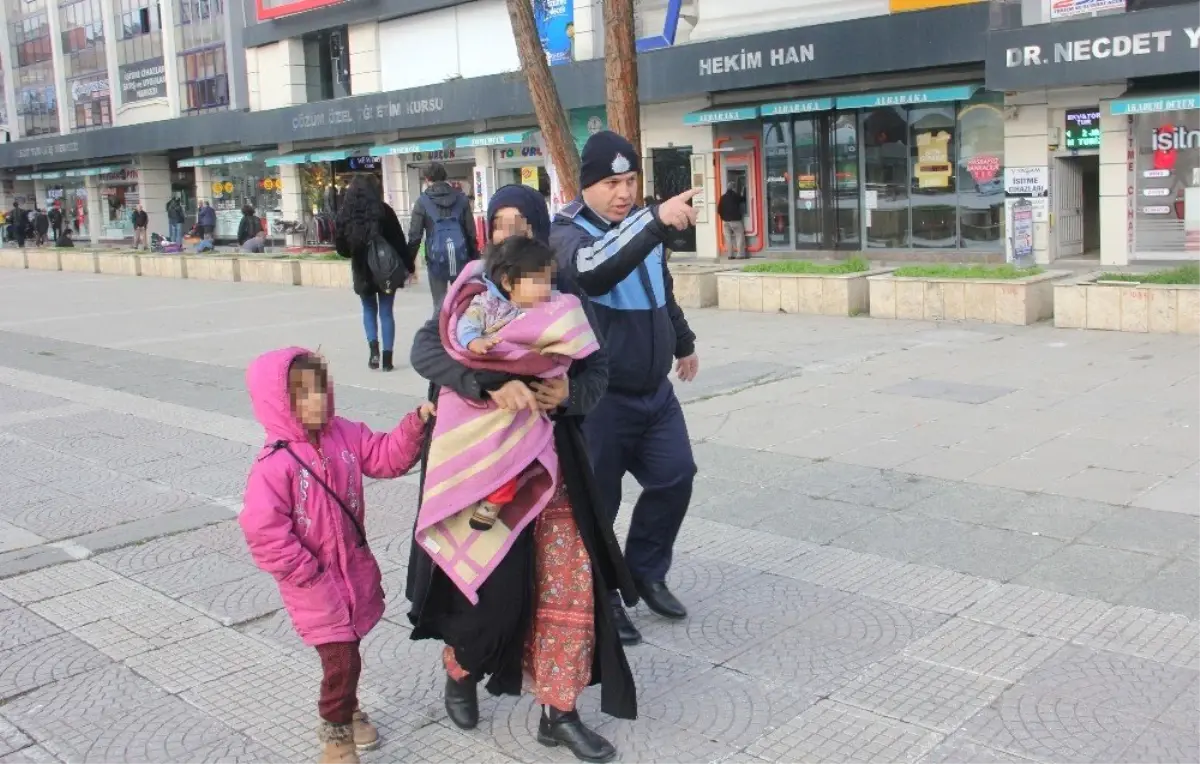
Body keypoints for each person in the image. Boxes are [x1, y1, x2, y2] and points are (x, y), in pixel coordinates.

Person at [407, 184, 637, 764]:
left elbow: (596, 367)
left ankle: (558, 712)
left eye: (523, 223)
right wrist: (489, 382)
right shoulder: (469, 295)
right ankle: (461, 669)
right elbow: (427, 352)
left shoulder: (559, 297)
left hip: (552, 466)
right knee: (488, 589)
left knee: (568, 586)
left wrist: (568, 392)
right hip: (482, 471)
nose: (511, 232)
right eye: (501, 222)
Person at [239, 348, 433, 764]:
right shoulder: (274, 465)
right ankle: (335, 736)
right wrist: (308, 573)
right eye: (302, 394)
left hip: (353, 571)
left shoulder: (344, 434)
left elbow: (385, 458)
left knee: (350, 652)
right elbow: (263, 531)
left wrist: (415, 425)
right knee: (341, 659)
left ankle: (351, 709)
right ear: (278, 402)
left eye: (321, 389)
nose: (317, 401)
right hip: (314, 586)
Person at [551, 130, 700, 648]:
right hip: (601, 399)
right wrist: (653, 221)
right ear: (586, 185)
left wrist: (682, 341)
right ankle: (603, 594)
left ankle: (645, 571)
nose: (623, 192)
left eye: (630, 181)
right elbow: (593, 271)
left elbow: (662, 292)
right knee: (599, 504)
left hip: (654, 393)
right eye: (612, 183)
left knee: (676, 476)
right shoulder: (568, 233)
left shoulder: (640, 225)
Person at [335, 175, 415, 372]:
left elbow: (341, 249)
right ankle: (388, 360)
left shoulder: (346, 214)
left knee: (368, 309)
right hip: (386, 269)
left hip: (362, 269)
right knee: (387, 312)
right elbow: (399, 241)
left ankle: (374, 352)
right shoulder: (384, 211)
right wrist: (409, 267)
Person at [407, 162, 479, 309]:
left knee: (440, 305)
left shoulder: (422, 202)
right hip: (461, 258)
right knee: (463, 303)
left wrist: (409, 265)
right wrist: (474, 259)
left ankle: (440, 330)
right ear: (445, 177)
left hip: (435, 259)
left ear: (427, 179)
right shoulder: (461, 199)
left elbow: (415, 236)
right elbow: (471, 233)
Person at [718, 181, 746, 259]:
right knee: (739, 236)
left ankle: (730, 255)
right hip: (736, 220)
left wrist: (724, 218)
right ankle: (740, 255)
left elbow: (719, 210)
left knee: (728, 238)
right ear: (734, 188)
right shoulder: (736, 196)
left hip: (725, 221)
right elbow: (744, 199)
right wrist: (744, 191)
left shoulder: (722, 197)